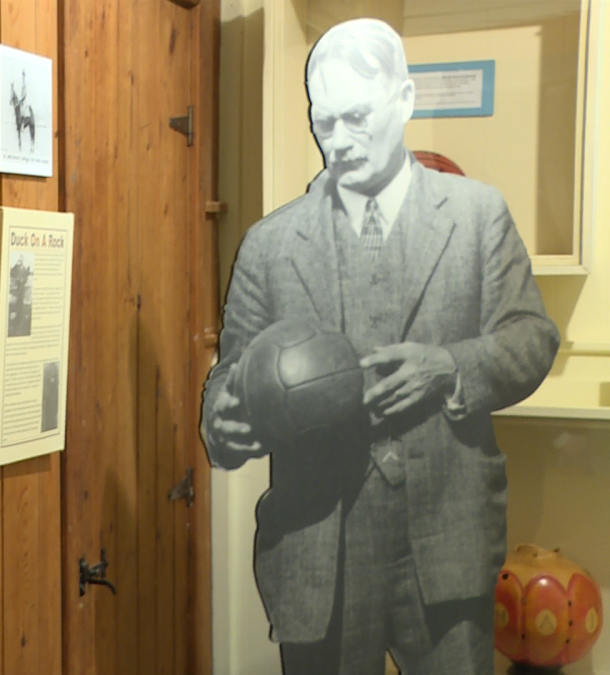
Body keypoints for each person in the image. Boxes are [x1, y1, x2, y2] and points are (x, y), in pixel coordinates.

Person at [200, 18, 559, 674]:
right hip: (316, 547)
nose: (339, 139)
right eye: (325, 120)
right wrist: (224, 419)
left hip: (447, 541)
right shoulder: (269, 245)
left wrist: (448, 366)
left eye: (358, 116)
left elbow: (532, 339)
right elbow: (231, 379)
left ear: (405, 100)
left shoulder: (477, 216)